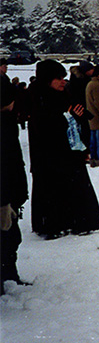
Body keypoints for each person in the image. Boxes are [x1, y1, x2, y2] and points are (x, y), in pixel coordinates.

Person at [28, 59, 99, 239]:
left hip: (70, 152)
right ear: (47, 79)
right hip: (49, 155)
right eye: (58, 78)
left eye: (63, 77)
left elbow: (77, 119)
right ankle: (53, 225)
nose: (63, 81)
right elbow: (44, 127)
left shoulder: (64, 94)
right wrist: (68, 116)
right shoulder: (37, 96)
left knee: (76, 186)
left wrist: (78, 116)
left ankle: (79, 222)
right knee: (51, 189)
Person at [1, 58, 29, 294]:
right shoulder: (4, 125)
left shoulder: (7, 123)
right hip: (3, 192)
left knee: (11, 238)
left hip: (8, 190)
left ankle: (9, 274)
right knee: (6, 237)